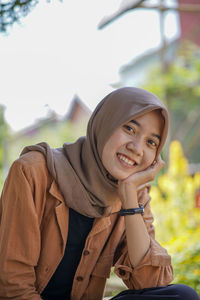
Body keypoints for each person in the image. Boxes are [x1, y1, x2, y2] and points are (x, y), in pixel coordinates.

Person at [0, 87, 199, 300]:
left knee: (182, 296)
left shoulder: (133, 191)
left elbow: (149, 282)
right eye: (130, 129)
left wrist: (130, 200)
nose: (137, 148)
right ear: (105, 122)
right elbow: (14, 286)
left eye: (151, 142)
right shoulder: (33, 172)